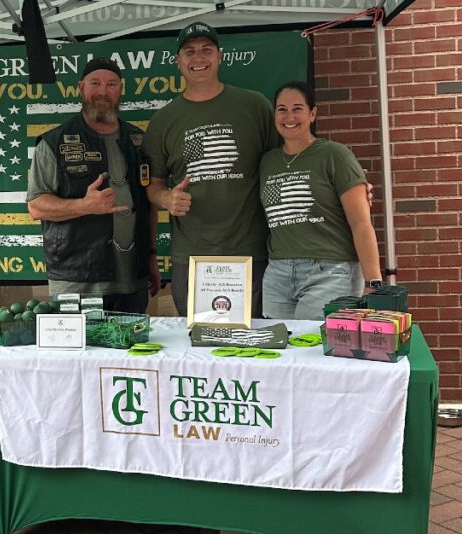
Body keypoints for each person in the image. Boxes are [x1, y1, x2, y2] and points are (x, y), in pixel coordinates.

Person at [143, 21, 280, 319]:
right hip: (191, 255)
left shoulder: (255, 106)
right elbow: (153, 185)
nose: (199, 58)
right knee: (198, 348)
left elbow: (285, 163)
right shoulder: (163, 120)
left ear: (219, 56)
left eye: (207, 50)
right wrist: (166, 199)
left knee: (251, 344)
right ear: (178, 61)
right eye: (189, 51)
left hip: (250, 250)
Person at [26, 57, 159, 314]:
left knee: (132, 354)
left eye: (111, 84)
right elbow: (36, 206)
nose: (103, 91)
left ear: (120, 89)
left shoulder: (139, 141)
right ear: (81, 88)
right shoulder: (54, 143)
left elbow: (149, 206)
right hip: (77, 284)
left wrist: (151, 257)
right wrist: (84, 206)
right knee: (78, 355)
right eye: (95, 83)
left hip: (133, 281)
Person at [258, 81, 381, 320]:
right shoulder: (267, 162)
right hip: (278, 274)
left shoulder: (335, 155)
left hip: (330, 273)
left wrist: (373, 281)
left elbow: (361, 222)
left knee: (315, 350)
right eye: (282, 109)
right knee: (279, 352)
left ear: (312, 113)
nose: (289, 116)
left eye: (297, 108)